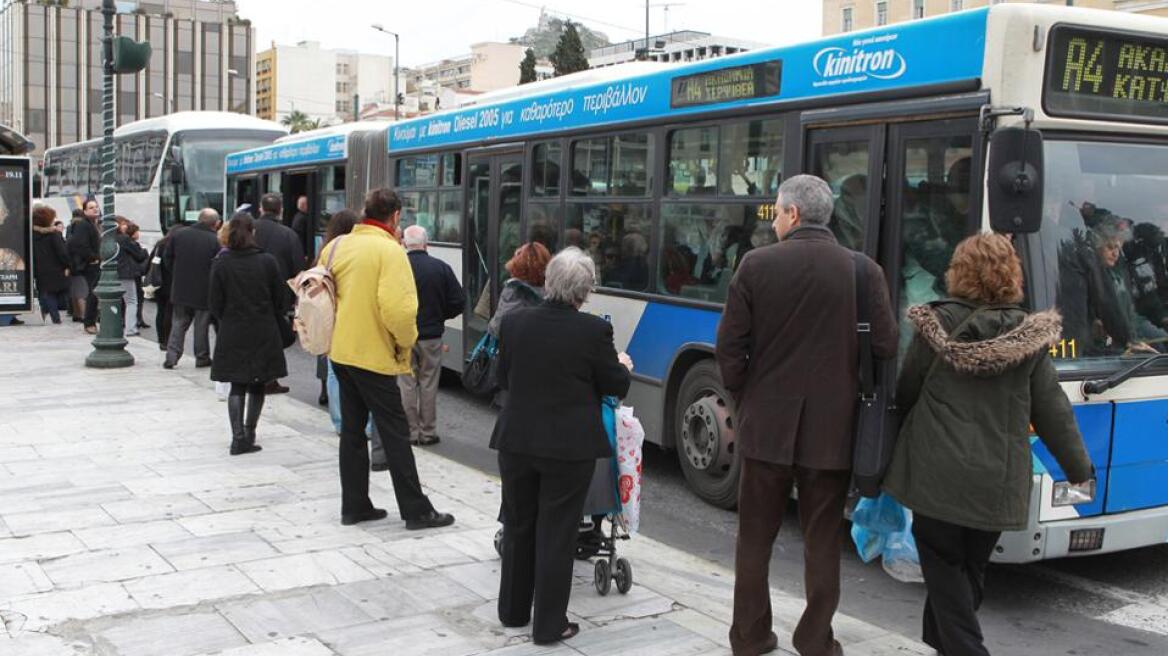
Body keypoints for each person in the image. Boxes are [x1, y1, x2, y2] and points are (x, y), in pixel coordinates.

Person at [884, 234, 1093, 656]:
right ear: (1011, 275)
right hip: (996, 479)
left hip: (935, 474)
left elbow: (906, 391)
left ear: (958, 272)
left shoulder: (936, 325)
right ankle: (943, 645)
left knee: (944, 572)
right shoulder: (1029, 337)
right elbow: (1053, 411)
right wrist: (1079, 470)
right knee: (969, 571)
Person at [716, 175, 897, 656]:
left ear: (793, 214)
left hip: (765, 427)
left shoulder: (755, 266)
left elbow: (729, 349)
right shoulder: (863, 271)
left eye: (776, 212)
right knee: (822, 540)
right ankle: (815, 639)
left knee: (754, 538)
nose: (774, 220)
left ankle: (750, 636)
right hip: (833, 430)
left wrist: (744, 399)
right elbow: (886, 345)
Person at [491, 246, 632, 646]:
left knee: (519, 523)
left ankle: (513, 611)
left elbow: (504, 377)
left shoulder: (515, 322)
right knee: (557, 531)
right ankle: (550, 625)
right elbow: (614, 386)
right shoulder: (592, 331)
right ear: (585, 291)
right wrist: (621, 365)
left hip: (516, 439)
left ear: (549, 282)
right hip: (568, 448)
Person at [318, 188, 453, 530]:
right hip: (373, 355)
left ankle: (355, 505)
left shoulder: (337, 246)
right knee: (395, 433)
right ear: (395, 217)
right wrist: (405, 345)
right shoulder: (389, 251)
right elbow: (399, 309)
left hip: (341, 352)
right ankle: (416, 510)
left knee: (352, 432)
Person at [208, 213, 289, 456]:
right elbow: (281, 299)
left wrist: (227, 318)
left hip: (233, 329)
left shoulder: (221, 263)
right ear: (252, 232)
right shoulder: (267, 261)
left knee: (236, 384)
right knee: (257, 383)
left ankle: (237, 438)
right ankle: (250, 432)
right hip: (263, 329)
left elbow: (214, 302)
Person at [398, 225, 464, 447]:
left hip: (405, 334)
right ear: (427, 244)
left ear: (405, 244)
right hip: (432, 335)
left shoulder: (398, 267)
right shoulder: (441, 268)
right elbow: (458, 301)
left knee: (407, 383)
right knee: (428, 383)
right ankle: (428, 432)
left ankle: (410, 431)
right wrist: (441, 316)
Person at [255, 193, 306, 394]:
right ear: (281, 210)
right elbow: (298, 267)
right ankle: (269, 378)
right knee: (274, 337)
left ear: (261, 208)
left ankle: (257, 375)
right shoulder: (288, 234)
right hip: (278, 295)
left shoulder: (249, 230)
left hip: (249, 291)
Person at [163, 209, 221, 369]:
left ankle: (172, 356)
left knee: (179, 323)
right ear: (215, 224)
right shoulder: (214, 240)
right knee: (201, 326)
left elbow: (168, 259)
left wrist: (176, 275)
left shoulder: (179, 235)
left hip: (181, 287)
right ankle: (202, 357)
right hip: (204, 290)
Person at [488, 242, 551, 338]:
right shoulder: (550, 292)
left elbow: (498, 329)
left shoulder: (514, 290)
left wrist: (491, 326)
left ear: (518, 265)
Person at [31, 205, 71, 324]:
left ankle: (49, 314)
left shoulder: (31, 235)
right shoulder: (54, 235)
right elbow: (62, 252)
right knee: (57, 292)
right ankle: (55, 318)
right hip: (56, 269)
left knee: (47, 293)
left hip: (40, 269)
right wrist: (68, 264)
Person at [66, 199, 102, 333]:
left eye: (96, 207)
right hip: (90, 265)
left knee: (95, 292)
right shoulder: (84, 225)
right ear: (85, 211)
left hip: (93, 264)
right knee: (93, 293)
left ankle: (92, 320)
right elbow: (79, 244)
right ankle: (89, 322)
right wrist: (93, 258)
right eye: (91, 207)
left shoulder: (92, 224)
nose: (95, 209)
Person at [115, 220, 148, 337]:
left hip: (113, 273)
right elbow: (139, 255)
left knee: (116, 301)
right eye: (123, 223)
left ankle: (118, 326)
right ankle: (131, 328)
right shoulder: (124, 239)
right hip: (125, 273)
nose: (126, 226)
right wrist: (144, 251)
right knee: (131, 301)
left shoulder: (110, 238)